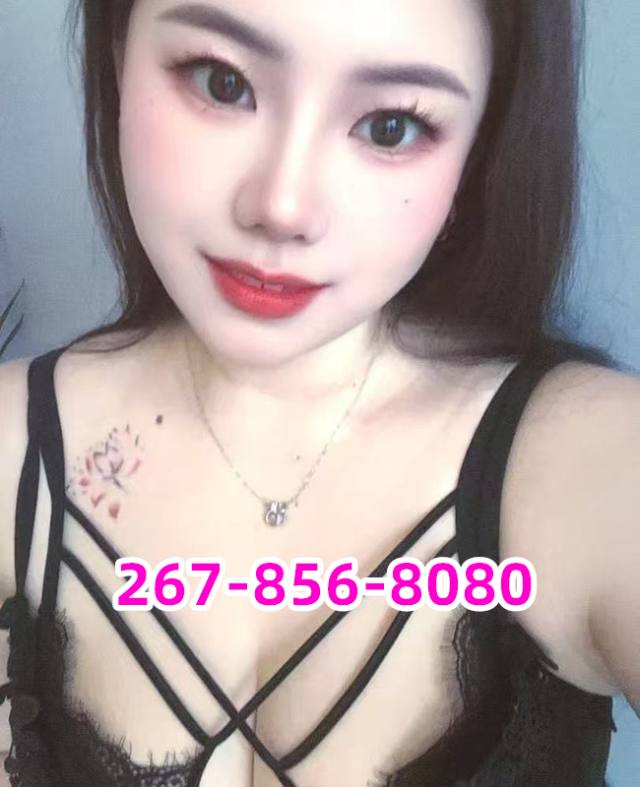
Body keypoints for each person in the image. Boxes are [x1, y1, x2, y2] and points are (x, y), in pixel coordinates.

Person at [0, 1, 638, 785]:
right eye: (222, 82)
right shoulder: (11, 445)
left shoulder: (598, 467)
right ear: (117, 55)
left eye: (390, 127)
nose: (283, 207)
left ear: (478, 150)